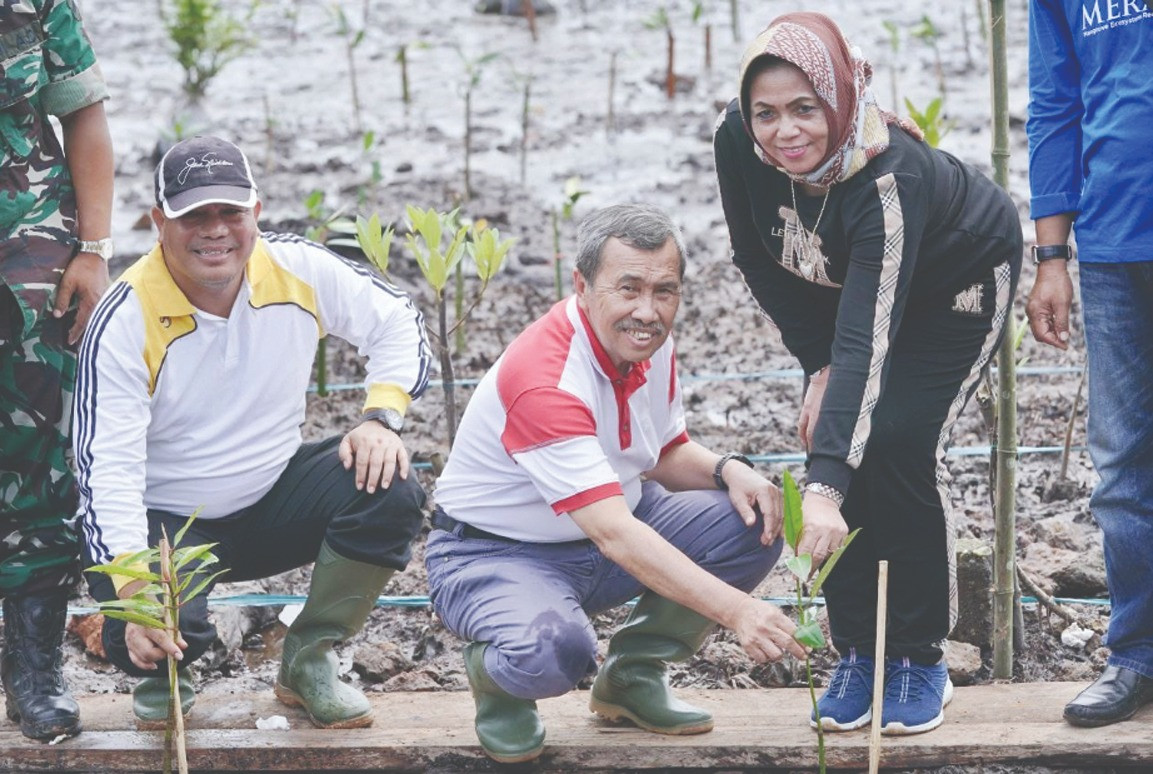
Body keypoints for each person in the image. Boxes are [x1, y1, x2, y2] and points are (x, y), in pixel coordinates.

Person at [713, 12, 1022, 736]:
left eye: (804, 109)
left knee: (897, 442)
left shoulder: (887, 178)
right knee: (836, 427)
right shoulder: (737, 139)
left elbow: (868, 342)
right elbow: (758, 256)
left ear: (839, 97)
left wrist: (820, 490)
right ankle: (857, 650)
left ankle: (918, 658)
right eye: (766, 113)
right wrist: (813, 361)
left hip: (957, 281)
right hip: (854, 282)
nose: (784, 131)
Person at [74, 135, 433, 730]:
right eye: (194, 215)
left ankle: (310, 658)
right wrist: (136, 599)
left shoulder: (297, 268)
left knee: (389, 485)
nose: (215, 231)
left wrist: (381, 416)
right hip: (167, 518)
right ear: (160, 222)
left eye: (230, 212)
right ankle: (167, 673)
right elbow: (103, 470)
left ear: (255, 214)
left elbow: (397, 321)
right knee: (151, 628)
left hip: (272, 495)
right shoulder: (125, 315)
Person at [426, 203, 805, 764]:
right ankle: (499, 680)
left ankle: (631, 676)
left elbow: (660, 453)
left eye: (665, 291)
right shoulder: (547, 378)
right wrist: (739, 612)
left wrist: (730, 469)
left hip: (611, 528)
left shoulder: (645, 341)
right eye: (627, 288)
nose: (648, 312)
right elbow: (616, 536)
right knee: (555, 653)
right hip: (496, 553)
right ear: (582, 285)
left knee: (753, 520)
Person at [1025, 1, 1153, 728]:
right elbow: (1054, 101)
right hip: (1111, 244)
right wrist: (1050, 256)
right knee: (1122, 467)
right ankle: (1135, 653)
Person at [1, 0, 113, 741]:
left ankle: (34, 666)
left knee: (40, 460)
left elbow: (84, 114)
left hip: (29, 247)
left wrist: (95, 247)